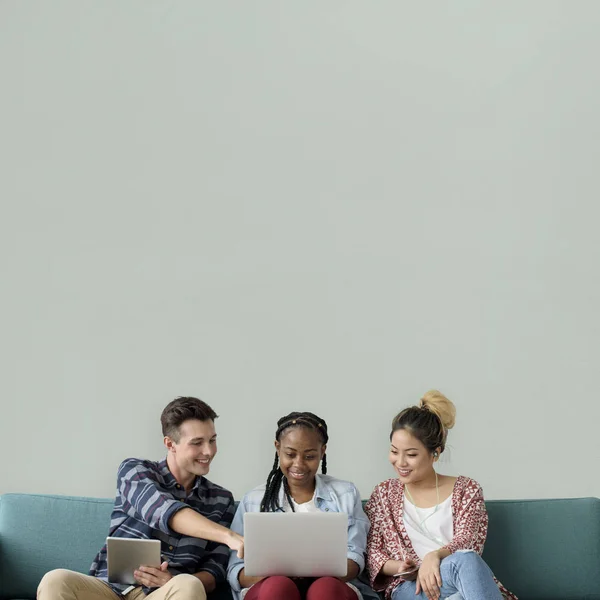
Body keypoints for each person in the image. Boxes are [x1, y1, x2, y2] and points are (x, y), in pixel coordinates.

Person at [38, 396, 243, 600]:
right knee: (55, 580)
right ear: (170, 444)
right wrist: (228, 536)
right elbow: (164, 511)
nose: (208, 451)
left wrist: (170, 581)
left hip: (164, 593)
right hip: (109, 590)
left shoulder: (221, 500)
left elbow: (214, 572)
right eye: (197, 443)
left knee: (189, 584)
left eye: (212, 440)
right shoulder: (135, 472)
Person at [365, 391, 517, 600]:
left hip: (456, 579)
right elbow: (373, 553)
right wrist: (400, 567)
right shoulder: (383, 494)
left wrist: (434, 556)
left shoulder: (467, 490)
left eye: (411, 455)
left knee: (466, 566)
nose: (400, 462)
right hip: (411, 588)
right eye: (394, 451)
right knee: (465, 567)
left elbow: (469, 542)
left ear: (435, 453)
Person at [227, 411, 378, 600]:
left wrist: (310, 571)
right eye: (290, 454)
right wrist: (278, 573)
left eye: (309, 456)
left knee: (325, 589)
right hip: (271, 588)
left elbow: (355, 558)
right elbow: (236, 570)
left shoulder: (345, 494)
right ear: (277, 448)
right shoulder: (254, 500)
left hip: (332, 585)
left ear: (322, 451)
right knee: (277, 586)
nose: (298, 464)